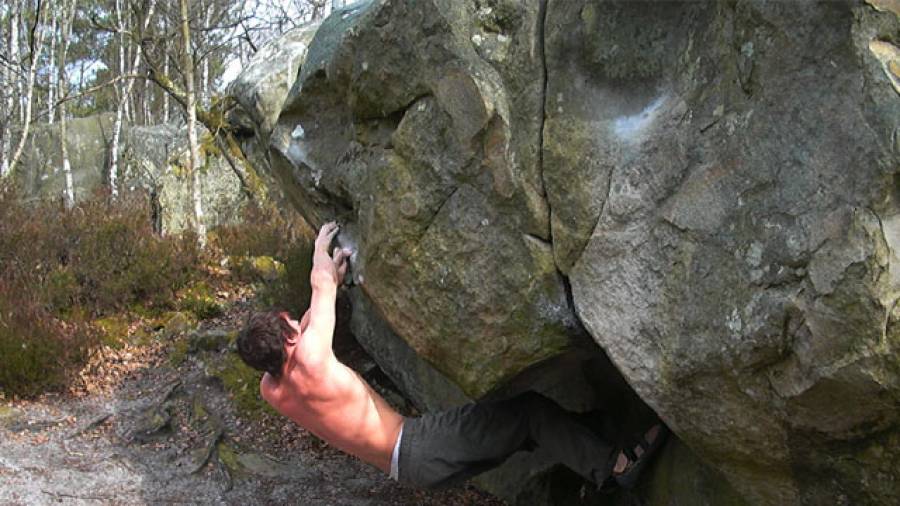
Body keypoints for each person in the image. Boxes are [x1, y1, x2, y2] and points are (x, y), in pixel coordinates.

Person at [236, 222, 667, 490]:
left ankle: (610, 440)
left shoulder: (272, 388)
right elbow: (320, 287)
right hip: (420, 445)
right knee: (530, 413)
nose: (300, 320)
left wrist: (329, 285)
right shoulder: (310, 354)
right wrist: (321, 249)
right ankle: (617, 466)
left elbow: (314, 316)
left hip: (408, 470)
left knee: (519, 429)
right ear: (290, 337)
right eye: (292, 322)